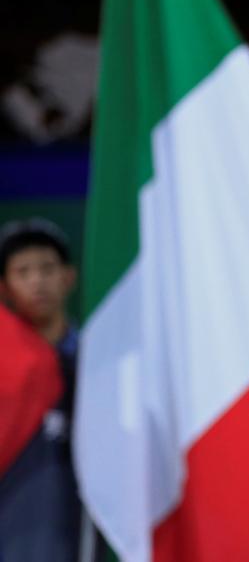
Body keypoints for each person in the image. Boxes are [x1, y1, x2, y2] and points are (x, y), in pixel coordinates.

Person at [0, 219, 84, 562]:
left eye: (47, 268)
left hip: (84, 533)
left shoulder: (100, 364)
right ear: (4, 287)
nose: (37, 281)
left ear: (68, 277)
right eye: (23, 271)